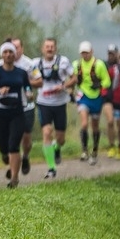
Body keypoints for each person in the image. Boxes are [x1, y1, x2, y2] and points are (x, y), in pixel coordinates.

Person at [0, 42, 40, 188]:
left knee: (14, 145)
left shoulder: (21, 72)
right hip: (0, 113)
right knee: (4, 147)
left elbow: (27, 86)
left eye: (11, 52)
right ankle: (6, 156)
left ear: (15, 54)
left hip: (17, 112)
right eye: (5, 52)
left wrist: (29, 93)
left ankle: (14, 178)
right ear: (2, 55)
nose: (8, 55)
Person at [30, 38, 75, 178]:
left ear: (55, 48)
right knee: (47, 132)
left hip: (60, 103)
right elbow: (28, 79)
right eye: (47, 46)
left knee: (61, 139)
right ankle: (51, 167)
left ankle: (56, 148)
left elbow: (74, 78)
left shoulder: (63, 62)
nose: (49, 49)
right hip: (43, 103)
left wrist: (63, 86)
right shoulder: (35, 63)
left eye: (51, 46)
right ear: (42, 49)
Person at [0, 37, 35, 177]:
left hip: (26, 106)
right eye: (11, 47)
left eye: (17, 47)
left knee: (26, 138)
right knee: (12, 138)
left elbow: (39, 81)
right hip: (8, 107)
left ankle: (25, 156)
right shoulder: (0, 64)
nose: (13, 51)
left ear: (22, 48)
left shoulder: (29, 64)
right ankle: (13, 169)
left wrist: (23, 82)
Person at [73, 41, 112, 166]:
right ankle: (84, 150)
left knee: (95, 125)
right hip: (83, 96)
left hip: (96, 97)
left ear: (91, 52)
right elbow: (72, 79)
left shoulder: (99, 65)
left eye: (87, 52)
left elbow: (107, 81)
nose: (85, 55)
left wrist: (99, 85)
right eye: (83, 53)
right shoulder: (76, 65)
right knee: (84, 123)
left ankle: (95, 149)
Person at [102, 44, 120, 158]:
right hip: (107, 97)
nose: (111, 56)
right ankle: (111, 145)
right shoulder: (103, 65)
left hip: (119, 98)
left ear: (116, 54)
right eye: (109, 53)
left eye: (112, 53)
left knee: (119, 123)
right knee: (110, 121)